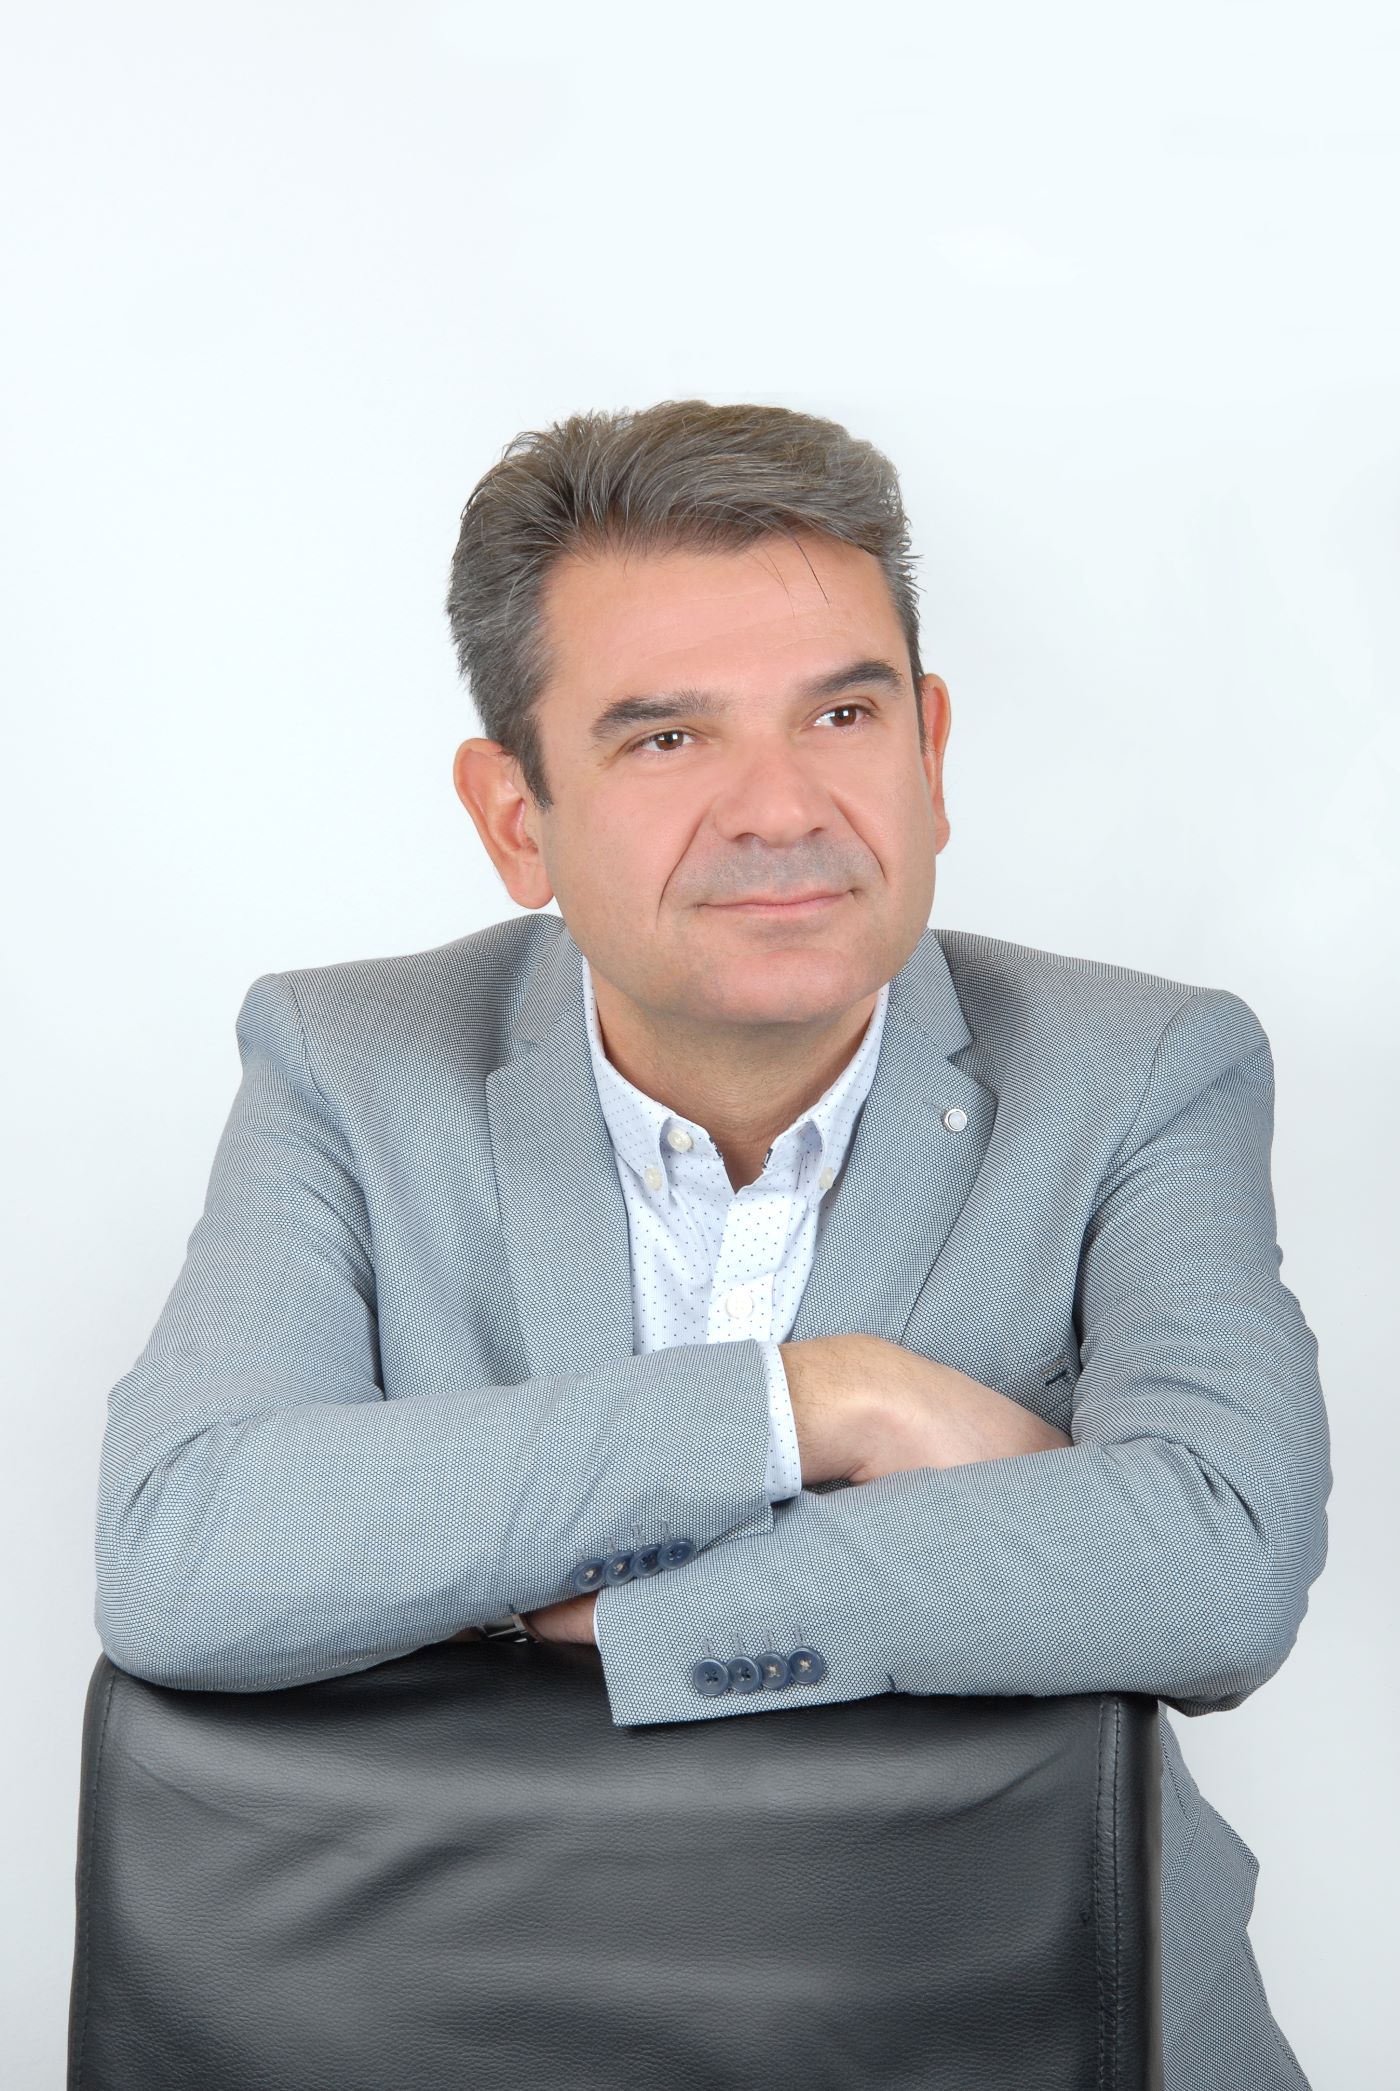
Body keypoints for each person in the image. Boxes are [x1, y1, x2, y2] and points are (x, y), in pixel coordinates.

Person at [95, 399, 1328, 2089]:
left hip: (1040, 2033)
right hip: (492, 2031)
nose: (781, 807)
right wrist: (822, 1405)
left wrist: (584, 1607)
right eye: (668, 737)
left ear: (931, 754)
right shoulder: (349, 1069)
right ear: (516, 815)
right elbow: (182, 1549)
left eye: (843, 713)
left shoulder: (1144, 1073)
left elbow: (1220, 1559)